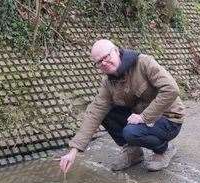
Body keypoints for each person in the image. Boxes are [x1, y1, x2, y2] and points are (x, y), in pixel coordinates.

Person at [59, 39, 185, 173]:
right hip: (140, 118)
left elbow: (171, 89)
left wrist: (144, 117)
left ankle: (163, 150)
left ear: (116, 51)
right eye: (99, 62)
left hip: (169, 118)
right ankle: (133, 152)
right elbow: (95, 111)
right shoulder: (108, 82)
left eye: (106, 57)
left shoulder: (143, 63)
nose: (104, 63)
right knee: (105, 111)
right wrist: (74, 150)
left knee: (131, 132)